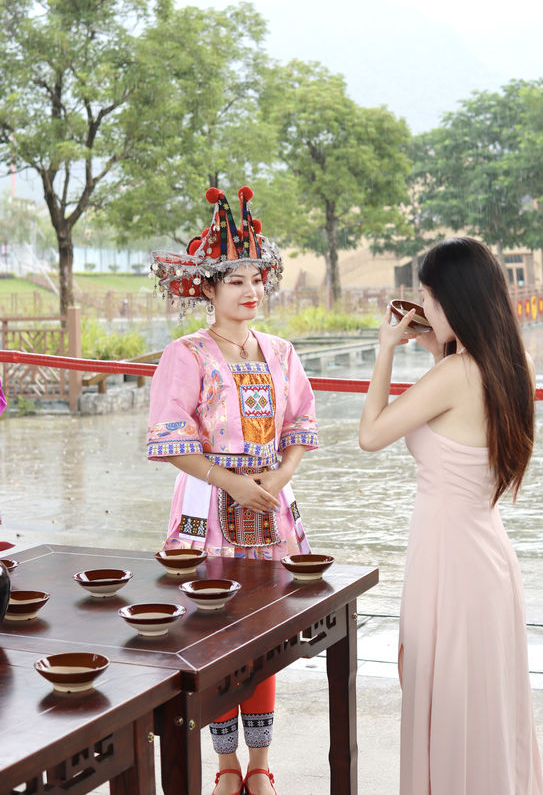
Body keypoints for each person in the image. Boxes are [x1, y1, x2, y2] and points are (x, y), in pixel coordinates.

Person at [148, 186, 318, 795]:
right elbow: (170, 438)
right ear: (208, 290)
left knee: (267, 631)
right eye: (235, 281)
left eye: (256, 278)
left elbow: (300, 425)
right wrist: (231, 483)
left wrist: (276, 479)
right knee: (215, 633)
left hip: (271, 502)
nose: (250, 290)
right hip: (210, 502)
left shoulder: (281, 351)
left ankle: (261, 763)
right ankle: (223, 765)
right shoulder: (185, 354)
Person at [359, 237, 543, 795]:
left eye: (427, 297)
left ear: (450, 301)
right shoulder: (516, 365)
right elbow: (466, 413)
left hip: (447, 562)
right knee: (486, 706)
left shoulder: (453, 376)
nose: (423, 306)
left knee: (441, 697)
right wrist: (437, 347)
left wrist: (387, 347)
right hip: (486, 558)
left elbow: (371, 435)